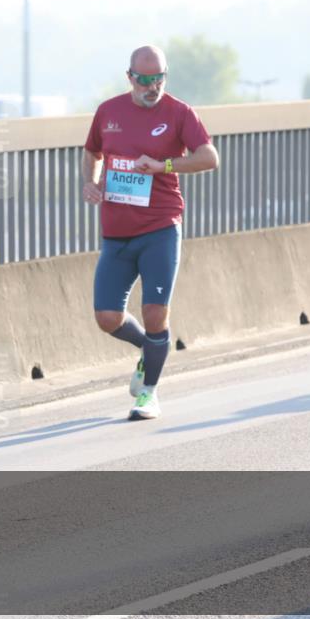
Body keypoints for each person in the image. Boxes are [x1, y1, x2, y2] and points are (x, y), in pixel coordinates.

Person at [81, 45, 220, 420]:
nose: (152, 86)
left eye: (158, 78)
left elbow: (210, 157)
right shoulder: (108, 112)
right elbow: (92, 152)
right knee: (106, 316)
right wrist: (90, 183)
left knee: (155, 311)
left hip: (160, 227)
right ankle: (150, 349)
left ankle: (149, 393)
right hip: (116, 232)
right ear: (130, 78)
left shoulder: (178, 112)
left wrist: (164, 165)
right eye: (144, 80)